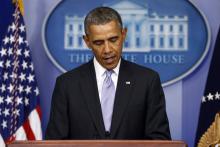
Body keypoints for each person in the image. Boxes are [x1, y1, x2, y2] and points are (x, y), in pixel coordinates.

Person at [45, 6, 171, 140]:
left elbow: (159, 140)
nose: (107, 50)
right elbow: (55, 141)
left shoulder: (147, 81)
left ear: (124, 34)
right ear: (87, 41)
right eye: (98, 42)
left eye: (113, 40)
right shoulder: (67, 84)